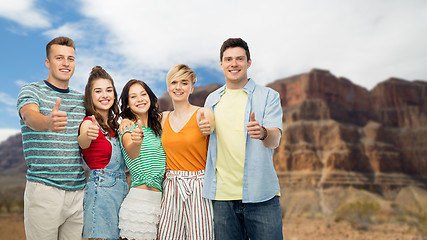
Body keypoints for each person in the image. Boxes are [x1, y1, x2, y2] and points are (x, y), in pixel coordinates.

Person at [202, 38, 284, 240]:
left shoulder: (269, 96)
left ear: (249, 62)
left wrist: (263, 132)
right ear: (221, 64)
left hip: (262, 195)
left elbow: (275, 140)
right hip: (222, 198)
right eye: (228, 59)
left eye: (239, 59)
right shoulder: (212, 99)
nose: (234, 64)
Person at [17, 36, 86, 240]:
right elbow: (29, 116)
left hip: (78, 193)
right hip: (44, 190)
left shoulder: (82, 100)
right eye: (59, 58)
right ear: (48, 62)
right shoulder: (31, 90)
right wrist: (47, 123)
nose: (65, 63)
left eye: (70, 59)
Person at [157, 64, 215, 239]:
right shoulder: (162, 118)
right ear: (168, 87)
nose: (178, 87)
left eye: (184, 83)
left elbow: (210, 127)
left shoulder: (203, 114)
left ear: (191, 87)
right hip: (171, 187)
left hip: (199, 187)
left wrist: (209, 127)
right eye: (174, 82)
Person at [78, 66, 128, 240]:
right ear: (90, 96)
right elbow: (82, 141)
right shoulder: (88, 122)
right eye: (98, 91)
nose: (104, 95)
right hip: (101, 193)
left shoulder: (116, 126)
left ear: (114, 94)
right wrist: (87, 135)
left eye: (108, 90)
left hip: (122, 192)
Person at [118, 79, 166, 240]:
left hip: (161, 206)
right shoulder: (127, 127)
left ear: (150, 97)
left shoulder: (159, 128)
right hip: (138, 205)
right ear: (126, 105)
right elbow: (131, 151)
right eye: (133, 96)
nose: (140, 99)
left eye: (143, 94)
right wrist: (136, 141)